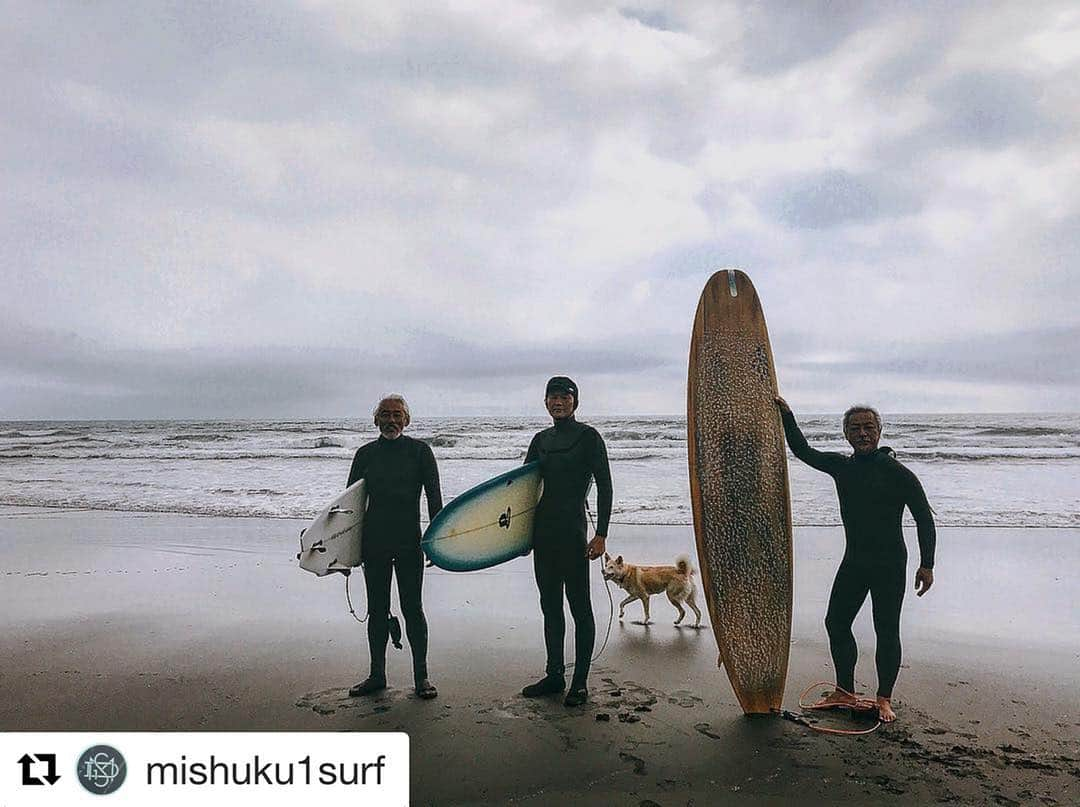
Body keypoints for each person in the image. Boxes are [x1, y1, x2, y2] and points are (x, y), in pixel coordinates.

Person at [775, 396, 935, 722]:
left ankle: (884, 699)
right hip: (855, 561)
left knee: (886, 629)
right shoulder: (841, 467)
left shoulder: (899, 474)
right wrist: (787, 415)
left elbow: (924, 518)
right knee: (836, 622)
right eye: (856, 428)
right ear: (846, 434)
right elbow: (803, 452)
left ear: (879, 431)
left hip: (890, 564)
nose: (863, 433)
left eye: (869, 427)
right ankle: (844, 692)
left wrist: (927, 564)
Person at [521, 376, 613, 707]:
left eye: (564, 397)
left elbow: (604, 484)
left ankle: (580, 682)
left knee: (579, 607)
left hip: (574, 535)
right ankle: (554, 675)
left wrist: (600, 534)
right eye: (552, 397)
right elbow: (524, 489)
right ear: (545, 402)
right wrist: (519, 537)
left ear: (575, 401)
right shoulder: (540, 440)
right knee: (550, 607)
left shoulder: (588, 437)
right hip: (543, 536)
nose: (558, 402)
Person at [346, 394, 443, 700]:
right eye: (385, 414)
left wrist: (436, 542)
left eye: (397, 415)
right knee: (377, 610)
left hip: (409, 542)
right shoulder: (365, 455)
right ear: (376, 420)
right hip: (373, 542)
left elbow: (434, 498)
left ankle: (421, 677)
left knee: (412, 608)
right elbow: (350, 505)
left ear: (406, 419)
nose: (391, 420)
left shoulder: (420, 452)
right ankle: (377, 675)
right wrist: (347, 549)